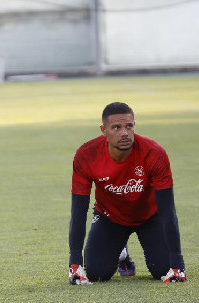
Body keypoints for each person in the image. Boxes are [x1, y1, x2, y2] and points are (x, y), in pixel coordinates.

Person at [68, 102, 186, 284]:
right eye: (116, 127)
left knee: (163, 269)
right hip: (110, 217)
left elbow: (168, 210)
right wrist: (75, 264)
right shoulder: (86, 155)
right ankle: (121, 253)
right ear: (103, 130)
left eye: (129, 126)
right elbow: (78, 210)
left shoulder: (154, 153)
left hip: (150, 216)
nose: (124, 133)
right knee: (97, 274)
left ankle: (157, 258)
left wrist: (177, 263)